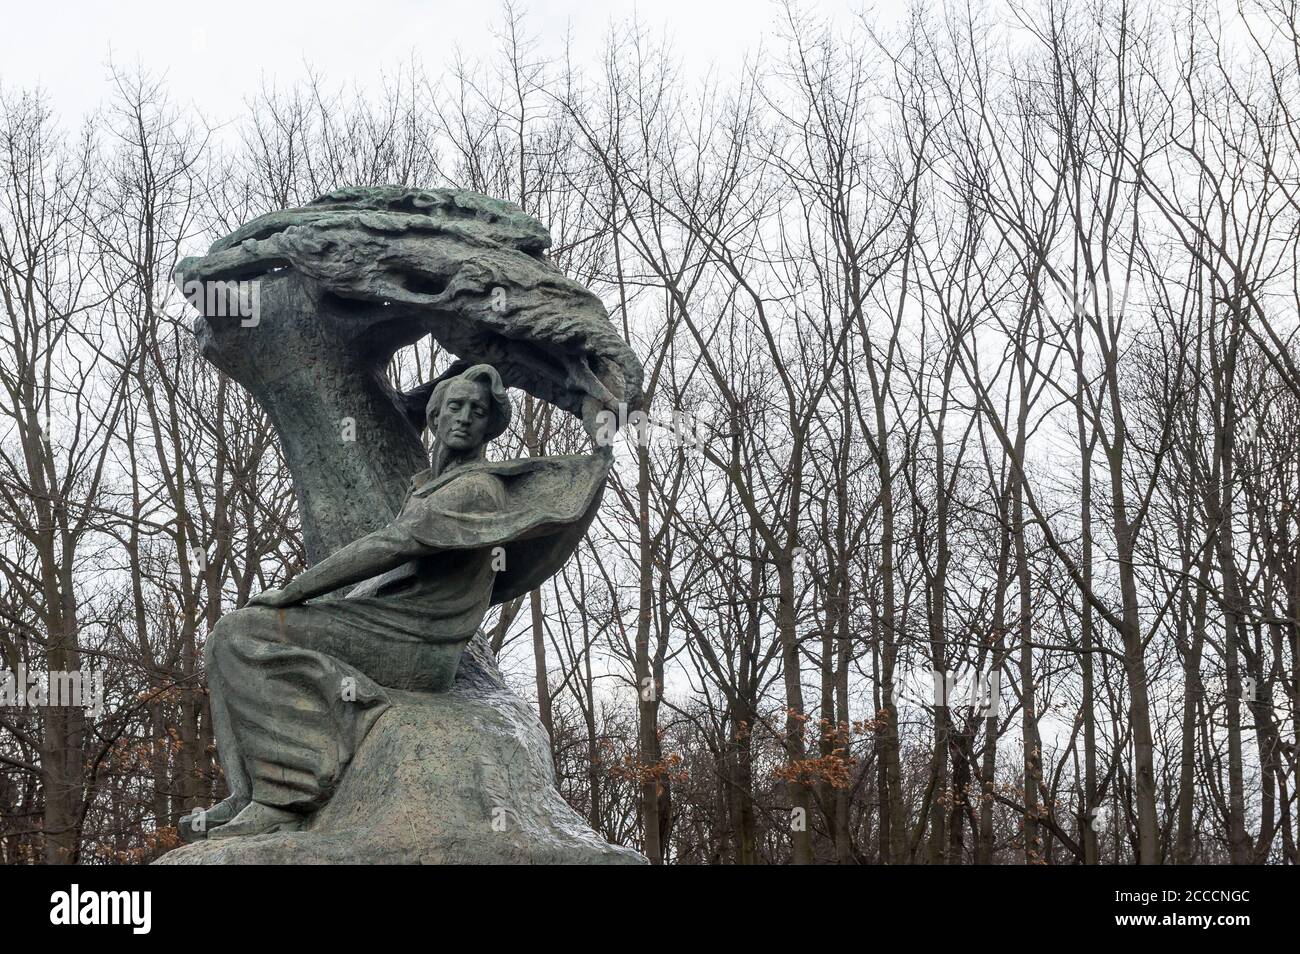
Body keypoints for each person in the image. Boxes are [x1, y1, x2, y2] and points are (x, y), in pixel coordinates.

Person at [182, 363, 606, 841]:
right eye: (456, 407)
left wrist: (295, 591)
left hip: (416, 645)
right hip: (390, 624)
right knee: (225, 636)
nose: (465, 417)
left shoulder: (475, 489)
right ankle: (248, 792)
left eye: (479, 411)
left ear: (490, 425)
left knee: (242, 633)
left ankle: (285, 795)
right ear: (436, 415)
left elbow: (391, 546)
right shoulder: (427, 486)